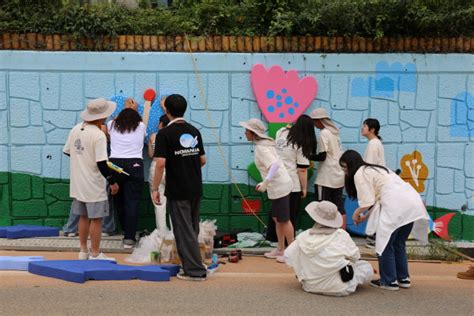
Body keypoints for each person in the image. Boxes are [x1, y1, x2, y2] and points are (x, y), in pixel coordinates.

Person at [339, 150, 430, 291]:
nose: (344, 172)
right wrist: (364, 217)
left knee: (385, 244)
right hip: (411, 203)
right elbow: (376, 199)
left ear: (351, 165)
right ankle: (403, 278)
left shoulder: (360, 173)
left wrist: (355, 214)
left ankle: (389, 281)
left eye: (344, 167)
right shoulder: (376, 169)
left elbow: (367, 202)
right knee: (399, 243)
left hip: (395, 207)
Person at [152, 94, 207, 281]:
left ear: (166, 110)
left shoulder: (164, 134)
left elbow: (160, 164)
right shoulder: (194, 131)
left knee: (184, 230)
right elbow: (202, 160)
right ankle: (190, 264)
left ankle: (195, 270)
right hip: (195, 186)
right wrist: (187, 166)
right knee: (191, 228)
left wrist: (154, 188)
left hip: (178, 188)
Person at [63, 98, 118, 261]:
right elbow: (101, 163)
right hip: (94, 183)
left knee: (83, 216)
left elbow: (67, 151)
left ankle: (83, 251)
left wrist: (82, 158)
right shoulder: (99, 135)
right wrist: (112, 181)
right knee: (96, 219)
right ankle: (95, 253)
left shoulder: (75, 129)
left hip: (78, 181)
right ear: (102, 116)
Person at [285, 200, 374, 296]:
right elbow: (356, 256)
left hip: (310, 286)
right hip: (342, 288)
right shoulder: (341, 235)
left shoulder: (303, 237)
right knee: (366, 267)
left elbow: (288, 256)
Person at [240, 118, 294, 263]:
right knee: (278, 219)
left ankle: (291, 252)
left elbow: (274, 165)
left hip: (279, 185)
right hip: (278, 186)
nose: (245, 133)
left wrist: (265, 182)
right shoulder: (263, 144)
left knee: (284, 219)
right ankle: (280, 249)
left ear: (252, 133)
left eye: (246, 131)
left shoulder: (261, 148)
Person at [266, 114, 316, 241]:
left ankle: (274, 238)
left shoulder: (281, 132)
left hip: (276, 179)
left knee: (276, 212)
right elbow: (302, 169)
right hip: (291, 183)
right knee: (289, 215)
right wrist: (304, 188)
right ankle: (289, 241)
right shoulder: (301, 142)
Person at [107, 107, 147, 249]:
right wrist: (134, 109)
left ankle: (124, 227)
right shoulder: (141, 126)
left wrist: (127, 107)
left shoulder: (111, 124)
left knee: (117, 199)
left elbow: (116, 119)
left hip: (114, 165)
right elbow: (141, 121)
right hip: (134, 164)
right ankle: (129, 238)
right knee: (132, 202)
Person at [310, 108, 346, 228]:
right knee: (339, 205)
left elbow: (322, 156)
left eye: (315, 121)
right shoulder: (336, 133)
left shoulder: (324, 133)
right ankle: (342, 232)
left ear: (320, 121)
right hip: (338, 175)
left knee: (321, 206)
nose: (315, 125)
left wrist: (308, 156)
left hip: (326, 177)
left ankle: (322, 233)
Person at [361, 118, 386, 249]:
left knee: (375, 211)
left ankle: (373, 239)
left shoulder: (373, 144)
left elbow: (369, 167)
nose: (362, 128)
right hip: (378, 182)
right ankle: (374, 239)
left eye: (365, 126)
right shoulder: (376, 143)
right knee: (377, 211)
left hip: (374, 183)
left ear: (372, 129)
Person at [148, 114, 171, 233]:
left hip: (156, 167)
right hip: (171, 168)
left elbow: (151, 155)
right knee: (174, 203)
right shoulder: (173, 135)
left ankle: (162, 234)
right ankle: (175, 233)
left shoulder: (154, 136)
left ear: (161, 124)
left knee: (159, 204)